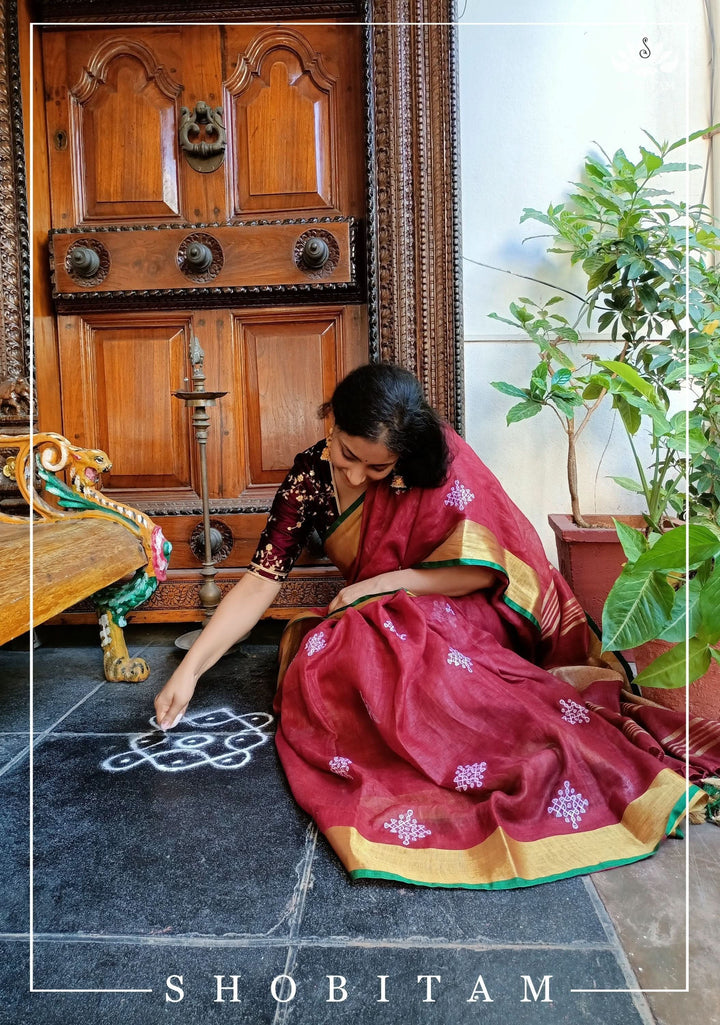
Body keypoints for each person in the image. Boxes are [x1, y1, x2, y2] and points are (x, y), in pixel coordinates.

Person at [154, 363, 718, 889]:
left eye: (378, 468)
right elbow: (260, 581)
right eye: (348, 454)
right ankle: (425, 745)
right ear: (332, 423)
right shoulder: (308, 483)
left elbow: (478, 574)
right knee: (337, 644)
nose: (358, 473)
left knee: (378, 622)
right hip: (389, 622)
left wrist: (379, 585)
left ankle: (507, 751)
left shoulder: (435, 462)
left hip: (465, 614)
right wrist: (191, 671)